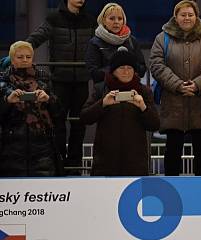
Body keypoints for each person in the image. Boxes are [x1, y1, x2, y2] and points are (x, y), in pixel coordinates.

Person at [150, 0, 201, 176]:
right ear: (176, 17)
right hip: (173, 104)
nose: (187, 18)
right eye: (183, 14)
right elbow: (156, 64)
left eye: (190, 14)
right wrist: (178, 85)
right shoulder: (162, 38)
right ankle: (171, 193)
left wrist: (197, 84)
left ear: (196, 16)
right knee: (172, 152)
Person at [25, 0, 96, 172]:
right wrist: (21, 52)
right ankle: (59, 164)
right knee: (58, 123)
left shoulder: (90, 20)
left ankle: (74, 166)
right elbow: (35, 38)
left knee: (79, 125)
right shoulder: (54, 18)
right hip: (59, 80)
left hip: (81, 80)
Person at [80, 48, 160, 176]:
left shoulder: (144, 91)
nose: (126, 72)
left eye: (130, 68)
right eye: (121, 68)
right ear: (113, 70)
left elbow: (155, 124)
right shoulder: (101, 88)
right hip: (105, 163)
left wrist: (143, 107)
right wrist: (103, 104)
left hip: (135, 164)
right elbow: (85, 117)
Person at [0, 41, 63, 176]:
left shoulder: (44, 79)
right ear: (12, 58)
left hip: (42, 146)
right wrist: (7, 101)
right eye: (20, 57)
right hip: (11, 146)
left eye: (28, 57)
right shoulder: (3, 82)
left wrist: (49, 100)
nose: (25, 60)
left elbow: (59, 114)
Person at [86, 3, 146, 84]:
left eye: (120, 18)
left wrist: (129, 70)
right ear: (103, 21)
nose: (116, 22)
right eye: (112, 18)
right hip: (105, 90)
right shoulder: (95, 43)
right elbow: (94, 73)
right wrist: (116, 70)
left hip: (130, 89)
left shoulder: (132, 41)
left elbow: (142, 69)